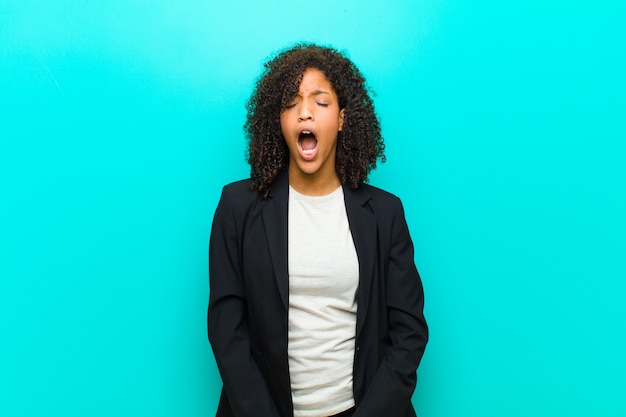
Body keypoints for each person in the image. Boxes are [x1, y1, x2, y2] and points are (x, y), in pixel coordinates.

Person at [208, 43, 428, 417]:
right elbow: (227, 332)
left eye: (320, 102)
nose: (305, 112)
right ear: (278, 120)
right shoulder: (237, 207)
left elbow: (409, 334)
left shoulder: (385, 213)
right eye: (291, 103)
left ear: (342, 118)